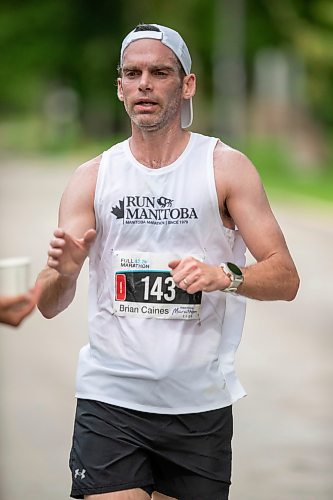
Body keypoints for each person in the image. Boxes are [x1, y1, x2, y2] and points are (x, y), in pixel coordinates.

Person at [36, 23, 299, 500]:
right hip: (110, 398)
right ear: (119, 88)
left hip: (198, 405)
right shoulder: (92, 178)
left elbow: (285, 276)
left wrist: (225, 276)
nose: (145, 84)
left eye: (159, 73)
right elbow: (49, 304)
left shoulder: (224, 168)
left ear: (187, 84)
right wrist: (65, 270)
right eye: (133, 74)